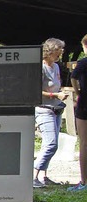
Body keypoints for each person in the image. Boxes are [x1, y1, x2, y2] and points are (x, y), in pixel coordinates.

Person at [33, 38, 69, 188]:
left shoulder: (56, 67)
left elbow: (54, 86)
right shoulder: (40, 67)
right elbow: (35, 91)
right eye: (59, 49)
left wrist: (60, 93)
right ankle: (33, 174)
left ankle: (43, 176)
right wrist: (55, 95)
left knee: (48, 144)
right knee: (51, 145)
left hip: (56, 108)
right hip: (44, 109)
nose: (61, 52)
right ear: (50, 51)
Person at [68, 34, 87, 191]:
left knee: (84, 143)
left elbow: (73, 77)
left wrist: (78, 91)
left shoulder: (83, 62)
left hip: (85, 104)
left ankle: (84, 181)